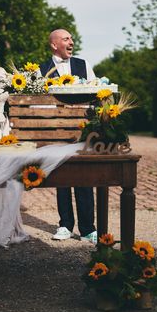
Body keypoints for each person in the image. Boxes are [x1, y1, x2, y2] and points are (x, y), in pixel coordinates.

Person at [40, 28, 97, 244]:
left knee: (84, 177)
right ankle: (65, 225)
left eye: (71, 38)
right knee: (62, 177)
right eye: (66, 39)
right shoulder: (42, 70)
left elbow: (95, 92)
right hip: (56, 130)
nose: (71, 41)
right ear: (54, 44)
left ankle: (88, 229)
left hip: (82, 128)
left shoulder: (84, 65)